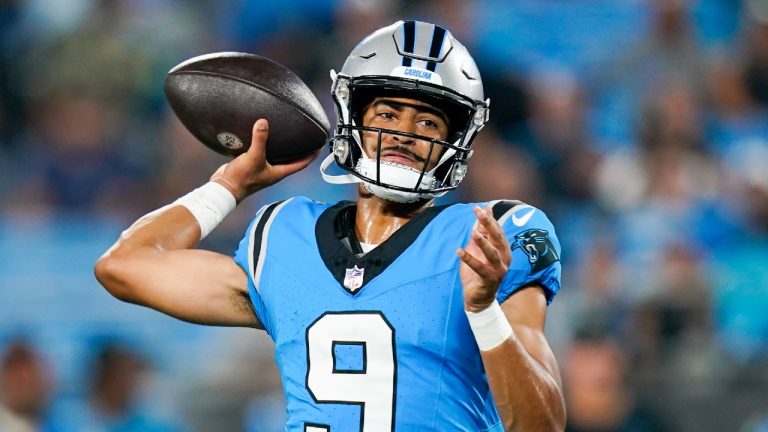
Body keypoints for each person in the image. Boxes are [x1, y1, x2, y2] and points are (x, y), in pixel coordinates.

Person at [95, 20, 565, 431]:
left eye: (427, 122)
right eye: (387, 114)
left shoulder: (493, 232)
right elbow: (124, 265)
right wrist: (228, 185)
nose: (404, 133)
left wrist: (484, 311)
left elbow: (542, 425)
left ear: (455, 141)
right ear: (352, 118)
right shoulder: (284, 233)